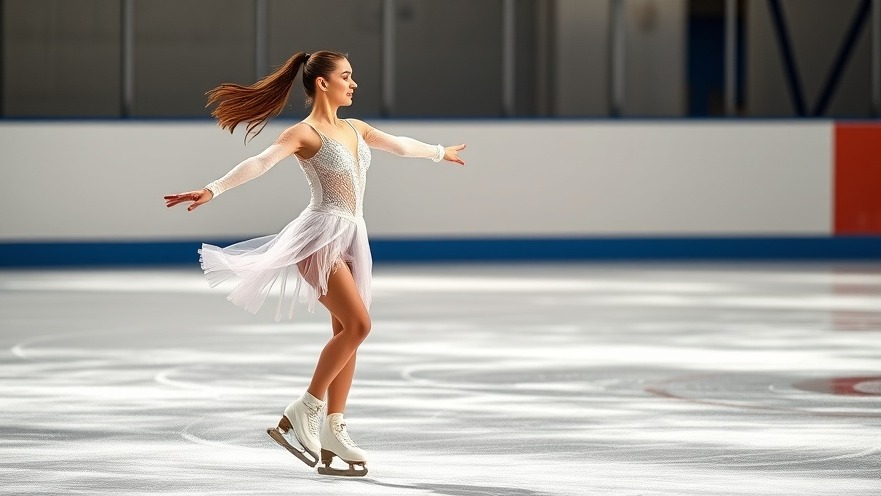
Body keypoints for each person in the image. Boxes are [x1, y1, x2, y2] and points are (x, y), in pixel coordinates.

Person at [164, 50, 466, 477]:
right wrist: (213, 189)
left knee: (347, 333)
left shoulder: (356, 128)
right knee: (359, 325)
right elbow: (261, 162)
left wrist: (439, 151)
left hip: (353, 236)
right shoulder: (304, 133)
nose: (354, 83)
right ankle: (305, 407)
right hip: (319, 237)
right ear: (323, 83)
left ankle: (334, 429)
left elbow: (400, 145)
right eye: (346, 76)